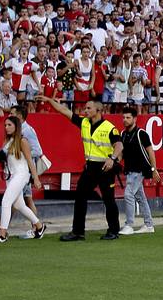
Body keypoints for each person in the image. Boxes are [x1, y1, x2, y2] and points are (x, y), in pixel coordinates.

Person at [40, 95, 123, 241]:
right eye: (85, 108)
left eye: (89, 108)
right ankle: (78, 232)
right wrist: (49, 101)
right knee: (80, 197)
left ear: (98, 110)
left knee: (108, 199)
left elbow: (119, 145)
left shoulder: (109, 128)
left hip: (105, 168)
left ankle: (113, 230)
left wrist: (112, 158)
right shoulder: (84, 122)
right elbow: (63, 111)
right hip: (90, 167)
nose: (85, 110)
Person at [0, 115, 45, 242]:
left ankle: (2, 234)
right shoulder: (7, 141)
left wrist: (36, 178)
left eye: (10, 125)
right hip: (10, 176)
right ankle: (39, 226)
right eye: (5, 125)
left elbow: (29, 161)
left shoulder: (22, 141)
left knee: (6, 202)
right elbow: (7, 162)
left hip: (21, 174)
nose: (7, 127)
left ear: (17, 126)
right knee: (20, 205)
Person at [118, 111, 158, 235]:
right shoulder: (123, 134)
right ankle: (149, 224)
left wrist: (154, 169)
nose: (125, 119)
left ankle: (129, 225)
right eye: (124, 117)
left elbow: (151, 152)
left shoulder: (142, 134)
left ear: (134, 119)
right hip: (130, 170)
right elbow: (121, 153)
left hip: (139, 170)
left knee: (128, 194)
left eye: (128, 117)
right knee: (140, 197)